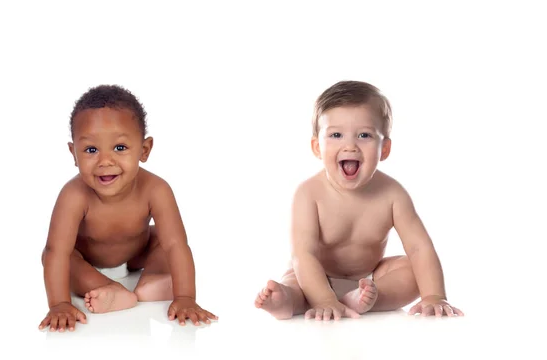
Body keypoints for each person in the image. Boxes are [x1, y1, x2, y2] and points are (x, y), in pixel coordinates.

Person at [255, 81, 463, 320]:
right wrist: (324, 300)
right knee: (295, 279)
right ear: (317, 147)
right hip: (315, 276)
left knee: (411, 269)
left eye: (364, 135)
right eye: (335, 135)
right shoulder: (308, 194)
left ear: (384, 149)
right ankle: (285, 301)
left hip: (369, 277)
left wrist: (434, 295)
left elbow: (419, 247)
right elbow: (305, 254)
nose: (350, 145)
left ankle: (368, 299)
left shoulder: (393, 194)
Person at [38, 85, 217, 332]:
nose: (105, 161)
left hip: (137, 252)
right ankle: (109, 288)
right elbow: (57, 250)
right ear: (74, 153)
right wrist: (58, 303)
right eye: (91, 150)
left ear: (144, 150)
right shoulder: (73, 195)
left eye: (120, 148)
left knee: (163, 240)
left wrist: (186, 297)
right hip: (87, 258)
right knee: (53, 258)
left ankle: (152, 282)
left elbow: (177, 245)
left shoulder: (156, 189)